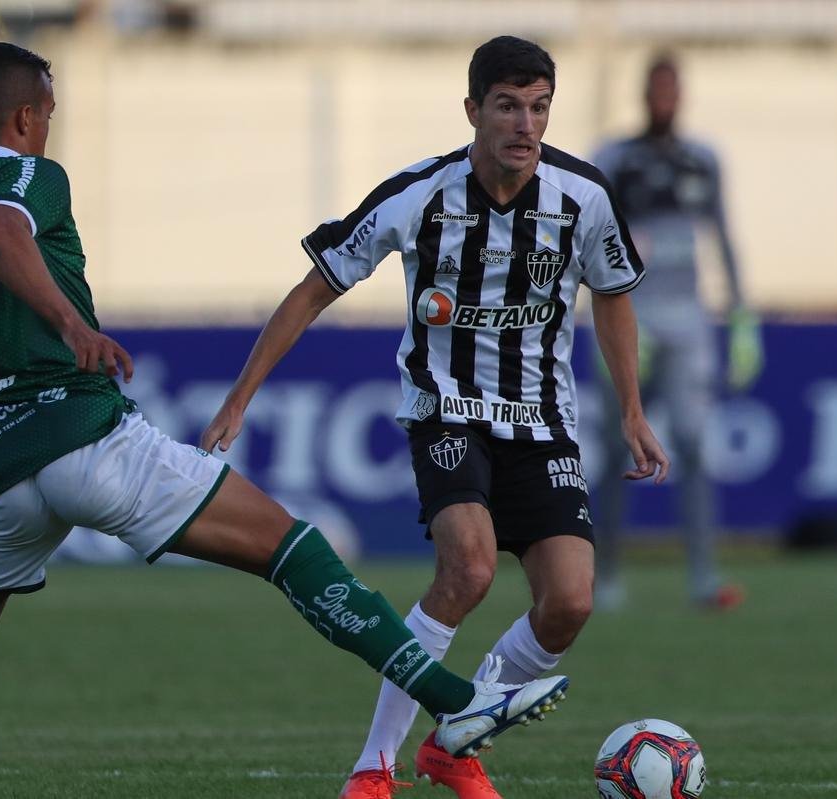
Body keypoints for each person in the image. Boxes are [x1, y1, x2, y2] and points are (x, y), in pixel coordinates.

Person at [0, 41, 571, 799]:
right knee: (292, 547)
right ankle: (456, 702)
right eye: (49, 112)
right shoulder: (33, 180)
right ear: (28, 117)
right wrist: (72, 328)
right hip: (80, 439)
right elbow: (2, 231)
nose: (50, 126)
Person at [203, 35, 669, 799]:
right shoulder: (418, 195)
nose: (526, 124)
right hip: (446, 410)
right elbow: (315, 287)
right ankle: (373, 766)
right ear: (472, 110)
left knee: (570, 602)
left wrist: (632, 410)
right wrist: (241, 394)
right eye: (509, 106)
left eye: (540, 107)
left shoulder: (582, 197)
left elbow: (614, 292)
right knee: (470, 567)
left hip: (543, 421)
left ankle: (458, 739)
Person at [590, 55, 761, 611]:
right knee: (619, 442)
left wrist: (740, 316)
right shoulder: (616, 158)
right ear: (645, 94)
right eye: (656, 88)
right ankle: (605, 575)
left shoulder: (701, 159)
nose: (664, 98)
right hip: (631, 316)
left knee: (693, 443)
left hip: (687, 318)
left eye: (672, 88)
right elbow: (586, 238)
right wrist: (583, 317)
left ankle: (703, 577)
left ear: (680, 95)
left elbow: (723, 234)